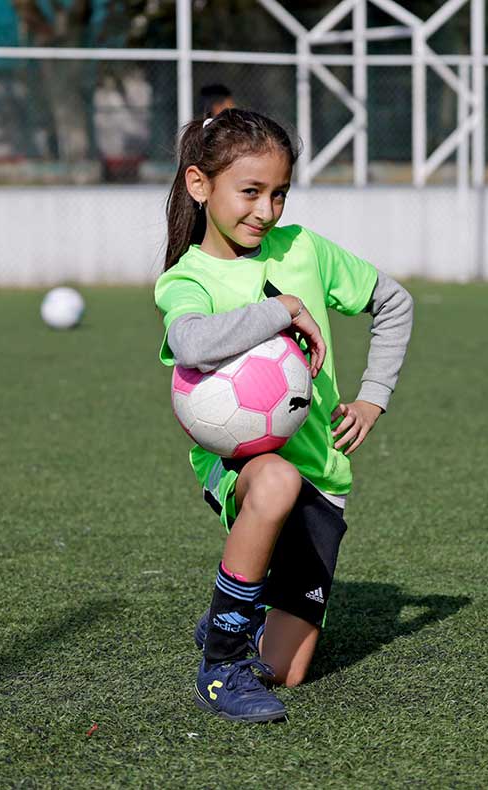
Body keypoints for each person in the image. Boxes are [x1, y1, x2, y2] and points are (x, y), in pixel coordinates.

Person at [154, 108, 414, 723]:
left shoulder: (305, 250)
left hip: (321, 470)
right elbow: (190, 342)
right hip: (239, 467)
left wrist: (374, 394)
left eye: (279, 193)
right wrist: (283, 310)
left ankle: (237, 608)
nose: (266, 211)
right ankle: (220, 664)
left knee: (289, 671)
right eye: (250, 192)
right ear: (200, 185)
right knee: (275, 479)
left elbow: (394, 301)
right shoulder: (187, 278)